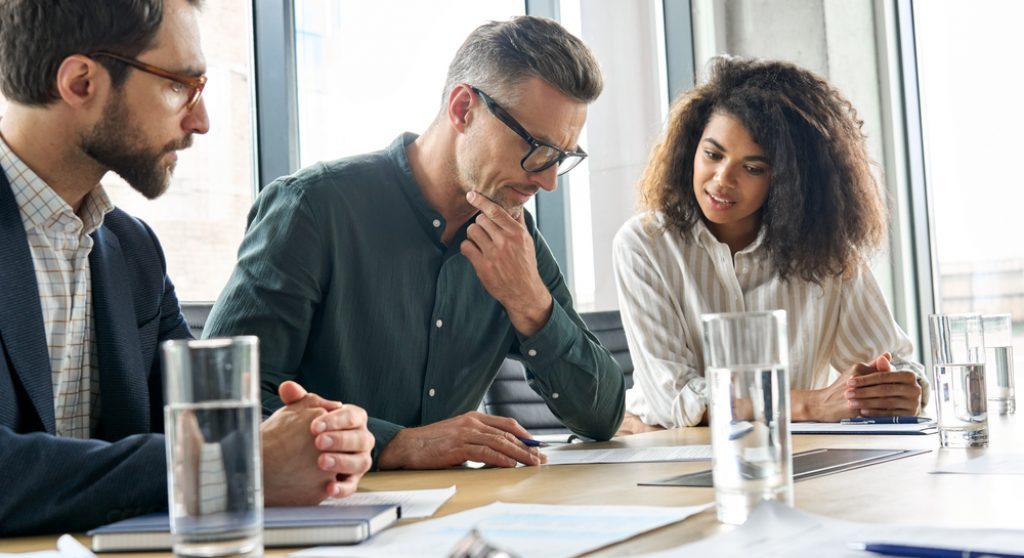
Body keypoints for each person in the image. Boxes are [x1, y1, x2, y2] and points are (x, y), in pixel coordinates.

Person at [0, 0, 372, 536]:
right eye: (180, 85)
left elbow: (203, 427)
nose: (201, 122)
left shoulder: (133, 252)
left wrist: (317, 442)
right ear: (81, 82)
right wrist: (244, 464)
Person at [204, 16, 625, 470]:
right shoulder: (312, 209)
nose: (547, 183)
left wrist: (530, 302)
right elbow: (219, 399)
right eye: (536, 148)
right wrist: (398, 443)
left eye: (561, 159)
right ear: (464, 109)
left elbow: (601, 417)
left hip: (457, 520)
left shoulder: (515, 241)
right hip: (323, 518)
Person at [612, 56, 929, 433]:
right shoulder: (644, 245)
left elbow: (900, 365)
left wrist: (894, 389)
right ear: (690, 150)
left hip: (794, 456)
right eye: (713, 154)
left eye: (753, 168)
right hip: (663, 448)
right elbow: (676, 401)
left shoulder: (826, 253)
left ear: (787, 181)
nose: (722, 180)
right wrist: (809, 404)